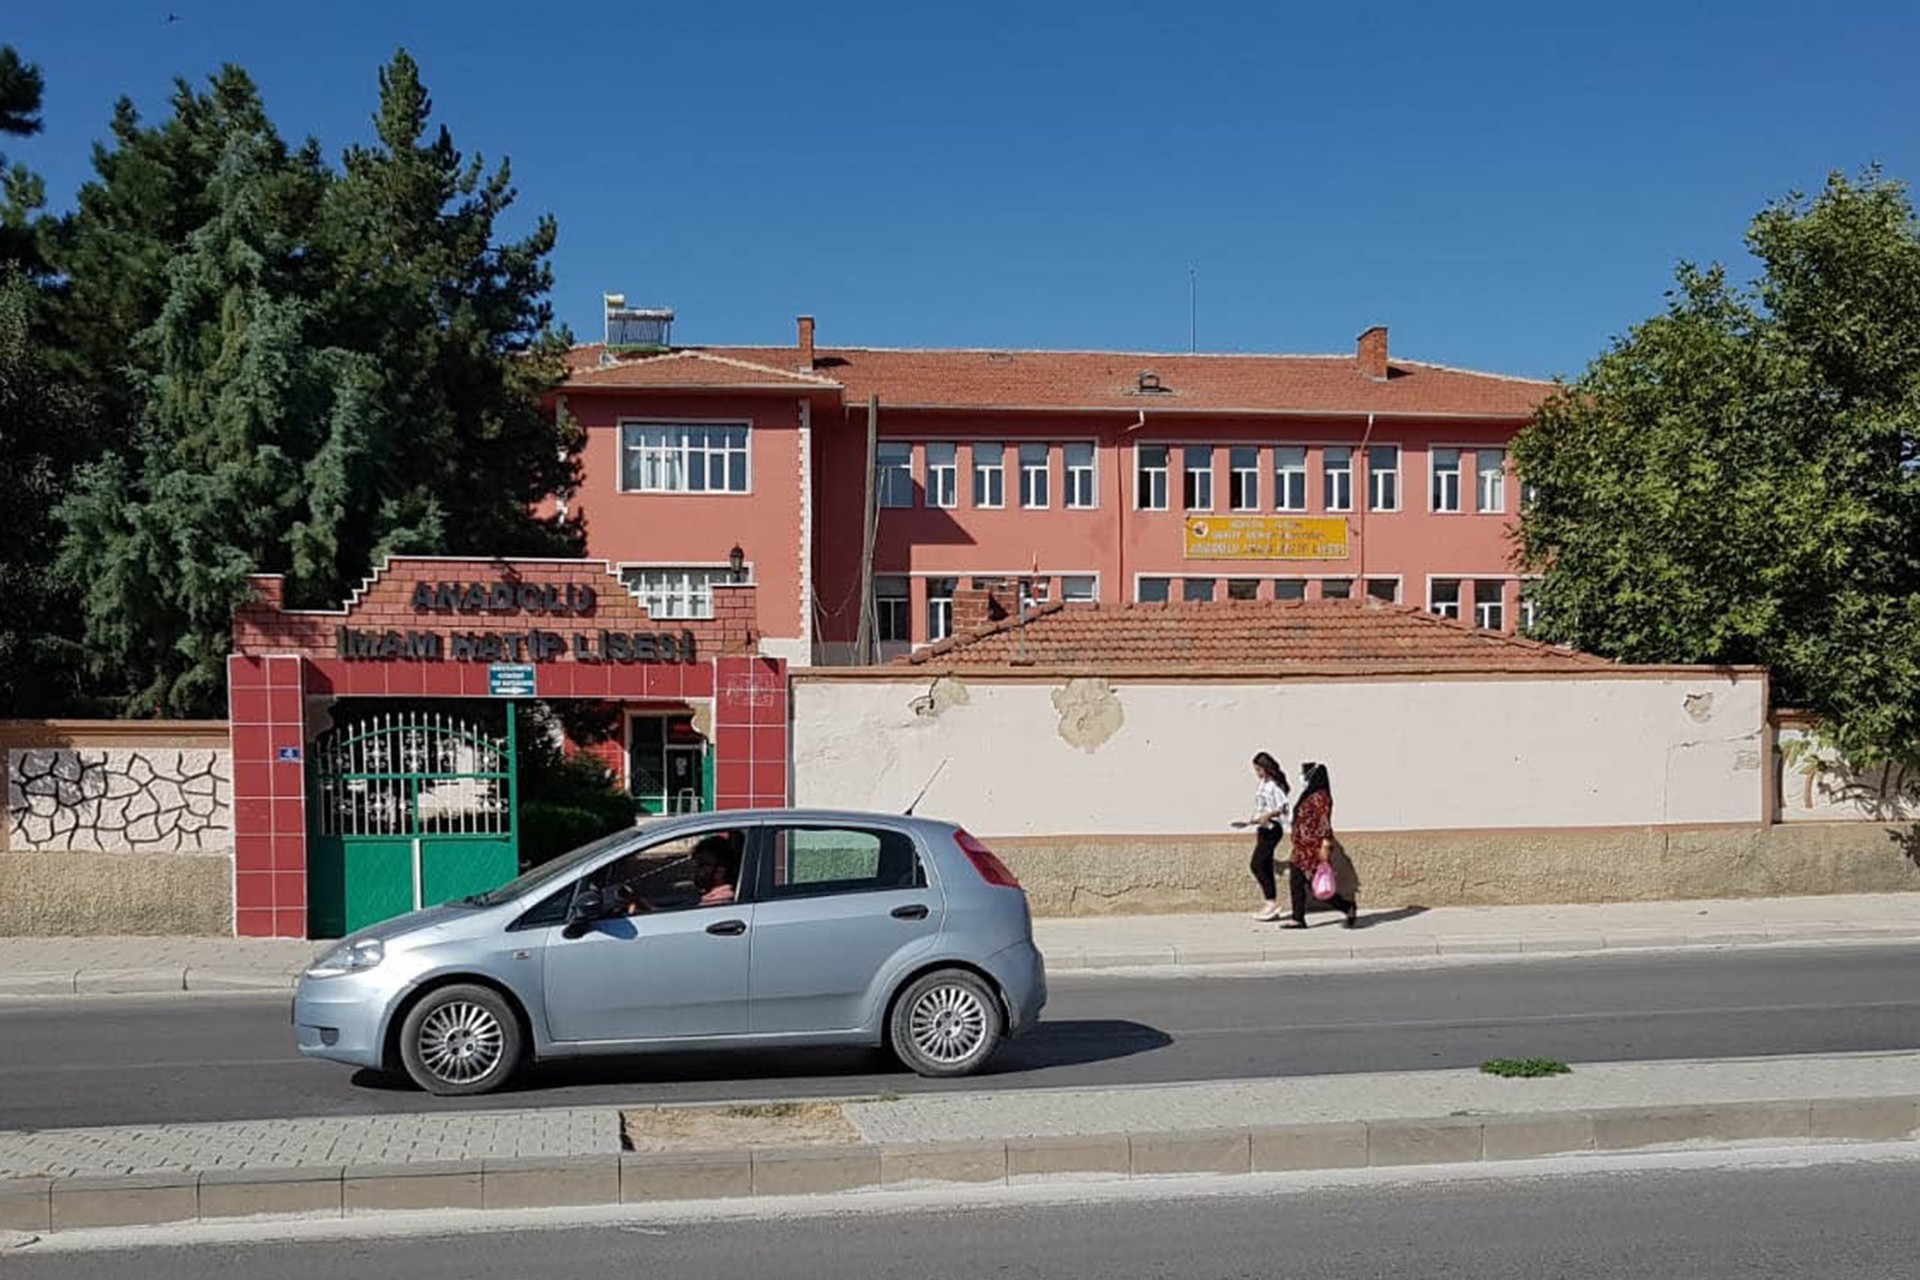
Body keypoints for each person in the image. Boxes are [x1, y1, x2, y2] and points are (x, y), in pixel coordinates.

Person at [1283, 761, 1358, 929]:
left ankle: (1347, 906)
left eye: (1304, 774)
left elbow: (1324, 822)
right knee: (1295, 882)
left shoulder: (1321, 796)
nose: (1302, 777)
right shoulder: (1308, 794)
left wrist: (1325, 845)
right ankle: (1298, 918)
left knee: (1318, 887)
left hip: (1313, 849)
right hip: (1301, 849)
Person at [1231, 752, 1292, 922]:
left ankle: (1271, 903)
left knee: (1256, 865)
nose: (1256, 773)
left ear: (1266, 768)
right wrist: (1252, 820)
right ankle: (1270, 904)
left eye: (1258, 769)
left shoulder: (1274, 785)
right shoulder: (1263, 785)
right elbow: (1262, 807)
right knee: (1264, 865)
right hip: (1263, 828)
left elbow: (1283, 806)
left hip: (1273, 829)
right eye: (1255, 769)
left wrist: (1268, 815)